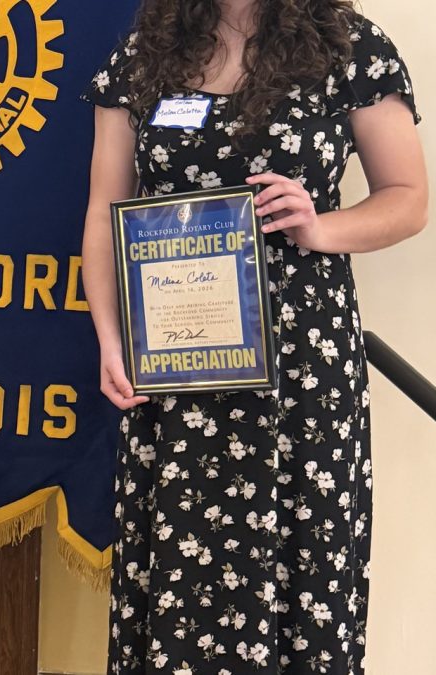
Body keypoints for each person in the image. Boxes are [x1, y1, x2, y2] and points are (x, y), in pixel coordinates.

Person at [81, 0, 426, 672]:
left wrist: (321, 227)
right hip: (176, 373)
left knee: (301, 571)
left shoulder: (349, 46)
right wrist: (109, 337)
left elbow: (408, 196)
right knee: (181, 574)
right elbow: (104, 211)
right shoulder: (144, 52)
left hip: (301, 372)